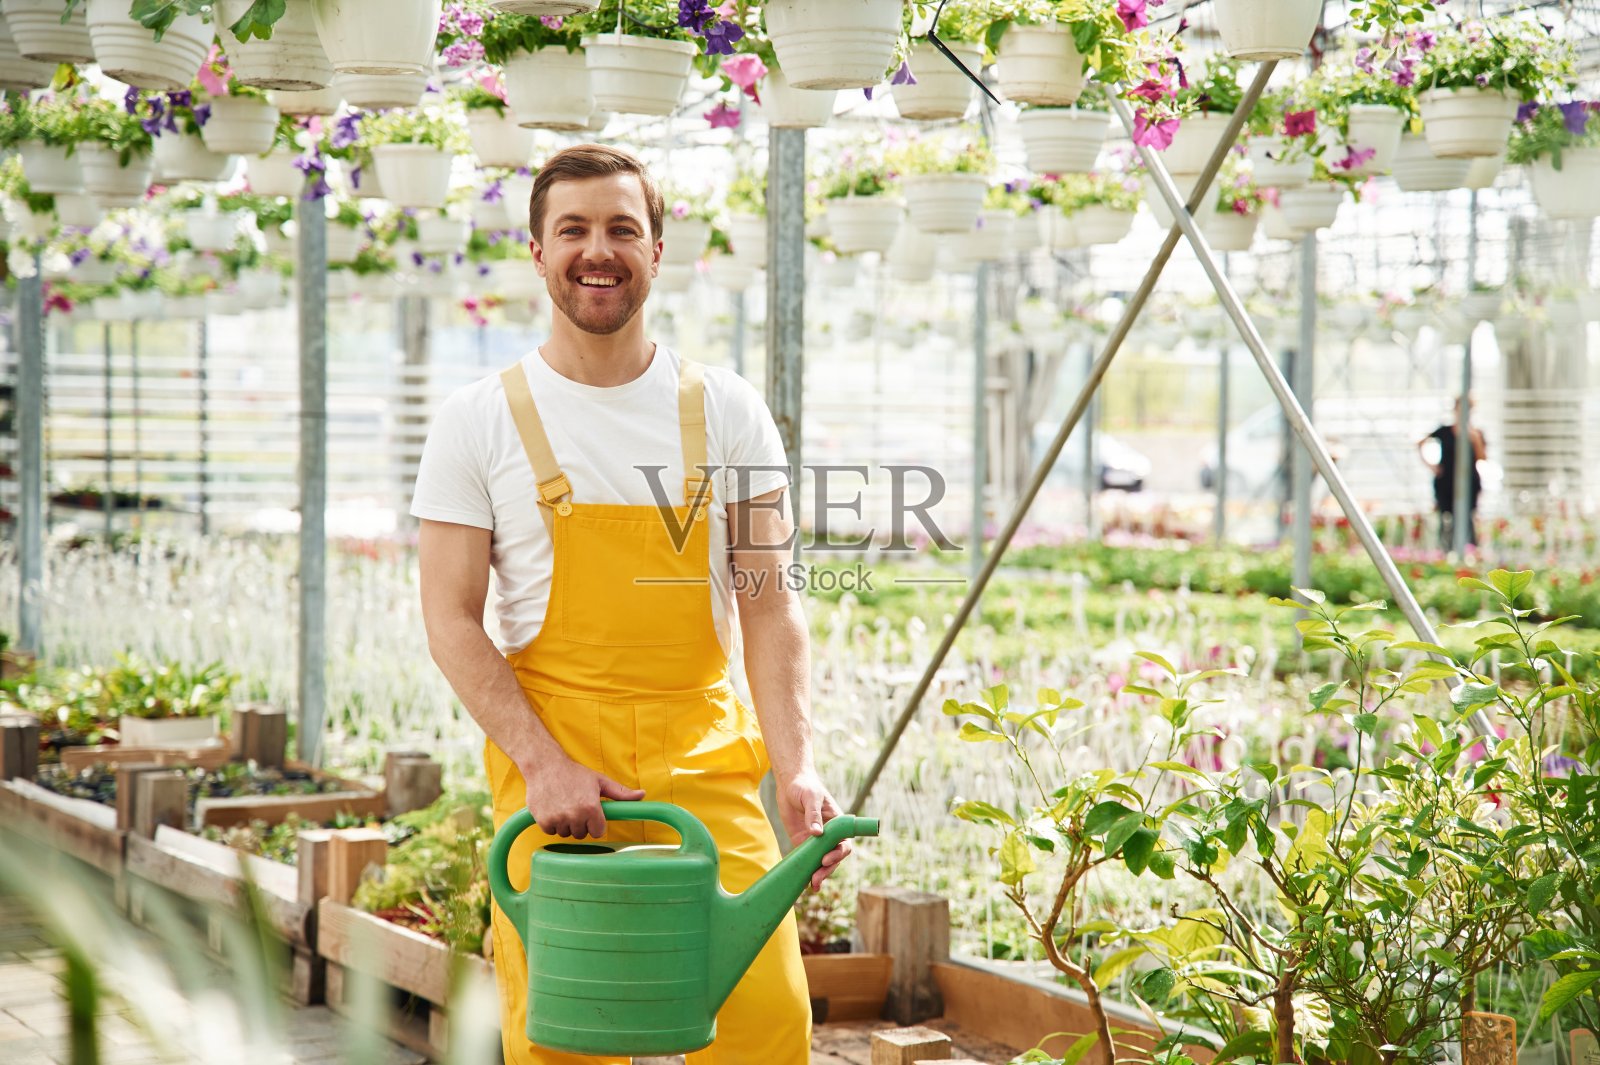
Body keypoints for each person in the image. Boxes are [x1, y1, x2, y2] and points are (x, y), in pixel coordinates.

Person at [411, 144, 848, 1065]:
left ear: (658, 246)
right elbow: (451, 616)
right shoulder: (479, 418)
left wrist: (796, 766)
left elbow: (769, 604)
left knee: (767, 1021)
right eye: (572, 229)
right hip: (556, 767)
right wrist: (541, 760)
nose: (596, 250)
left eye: (621, 227)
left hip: (704, 755)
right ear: (538, 251)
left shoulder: (726, 408)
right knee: (569, 1032)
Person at [1418, 397, 1487, 548]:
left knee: (1467, 518)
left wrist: (1475, 440)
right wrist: (1432, 466)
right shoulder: (1444, 431)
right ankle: (1444, 551)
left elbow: (1482, 458)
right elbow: (1420, 442)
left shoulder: (1476, 433)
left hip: (1468, 482)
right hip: (1446, 482)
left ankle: (1470, 550)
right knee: (1446, 519)